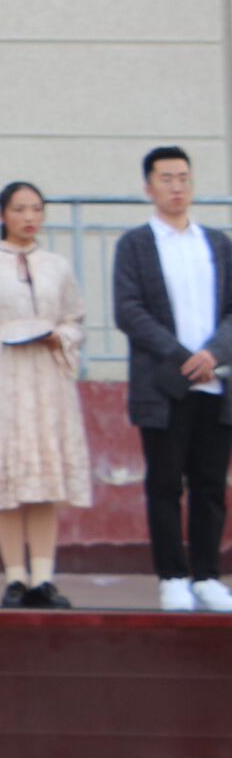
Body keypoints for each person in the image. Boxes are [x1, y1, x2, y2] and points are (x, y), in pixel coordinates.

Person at [0, 182, 92, 608]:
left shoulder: (58, 266)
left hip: (48, 382)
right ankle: (15, 577)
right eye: (19, 209)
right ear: (2, 215)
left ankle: (43, 579)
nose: (29, 217)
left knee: (45, 479)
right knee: (8, 479)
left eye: (36, 209)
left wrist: (59, 336)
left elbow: (75, 319)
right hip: (1, 377)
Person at [111, 146, 232, 613]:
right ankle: (173, 577)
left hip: (215, 382)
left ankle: (207, 576)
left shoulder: (217, 243)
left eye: (183, 177)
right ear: (149, 187)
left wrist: (214, 354)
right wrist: (182, 358)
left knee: (210, 485)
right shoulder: (135, 245)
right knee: (164, 484)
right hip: (162, 387)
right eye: (166, 178)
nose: (176, 187)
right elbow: (129, 311)